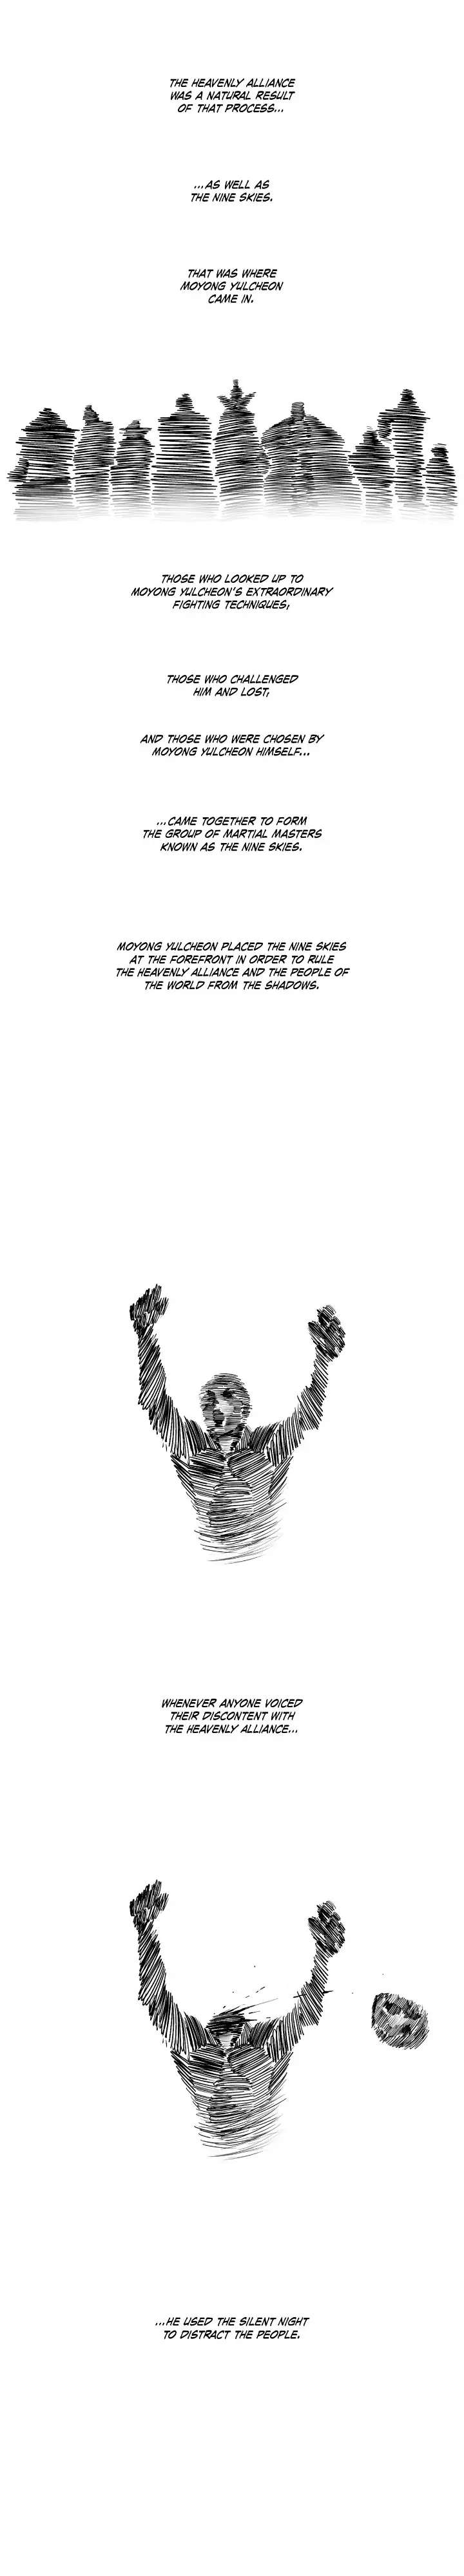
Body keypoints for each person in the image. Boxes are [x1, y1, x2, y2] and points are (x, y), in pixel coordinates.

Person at [130, 1879, 345, 2153]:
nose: (227, 2092)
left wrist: (145, 1930)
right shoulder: (260, 2050)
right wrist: (324, 1955)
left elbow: (156, 2002)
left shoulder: (204, 2050)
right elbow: (307, 2012)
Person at [130, 1284, 345, 1557]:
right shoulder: (191, 1445)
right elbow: (156, 1403)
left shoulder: (265, 1446)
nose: (217, 1405)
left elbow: (307, 1416)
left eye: (228, 1396)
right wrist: (145, 1335)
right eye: (209, 1398)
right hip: (200, 1553)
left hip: (266, 1551)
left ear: (245, 1408)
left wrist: (323, 1361)